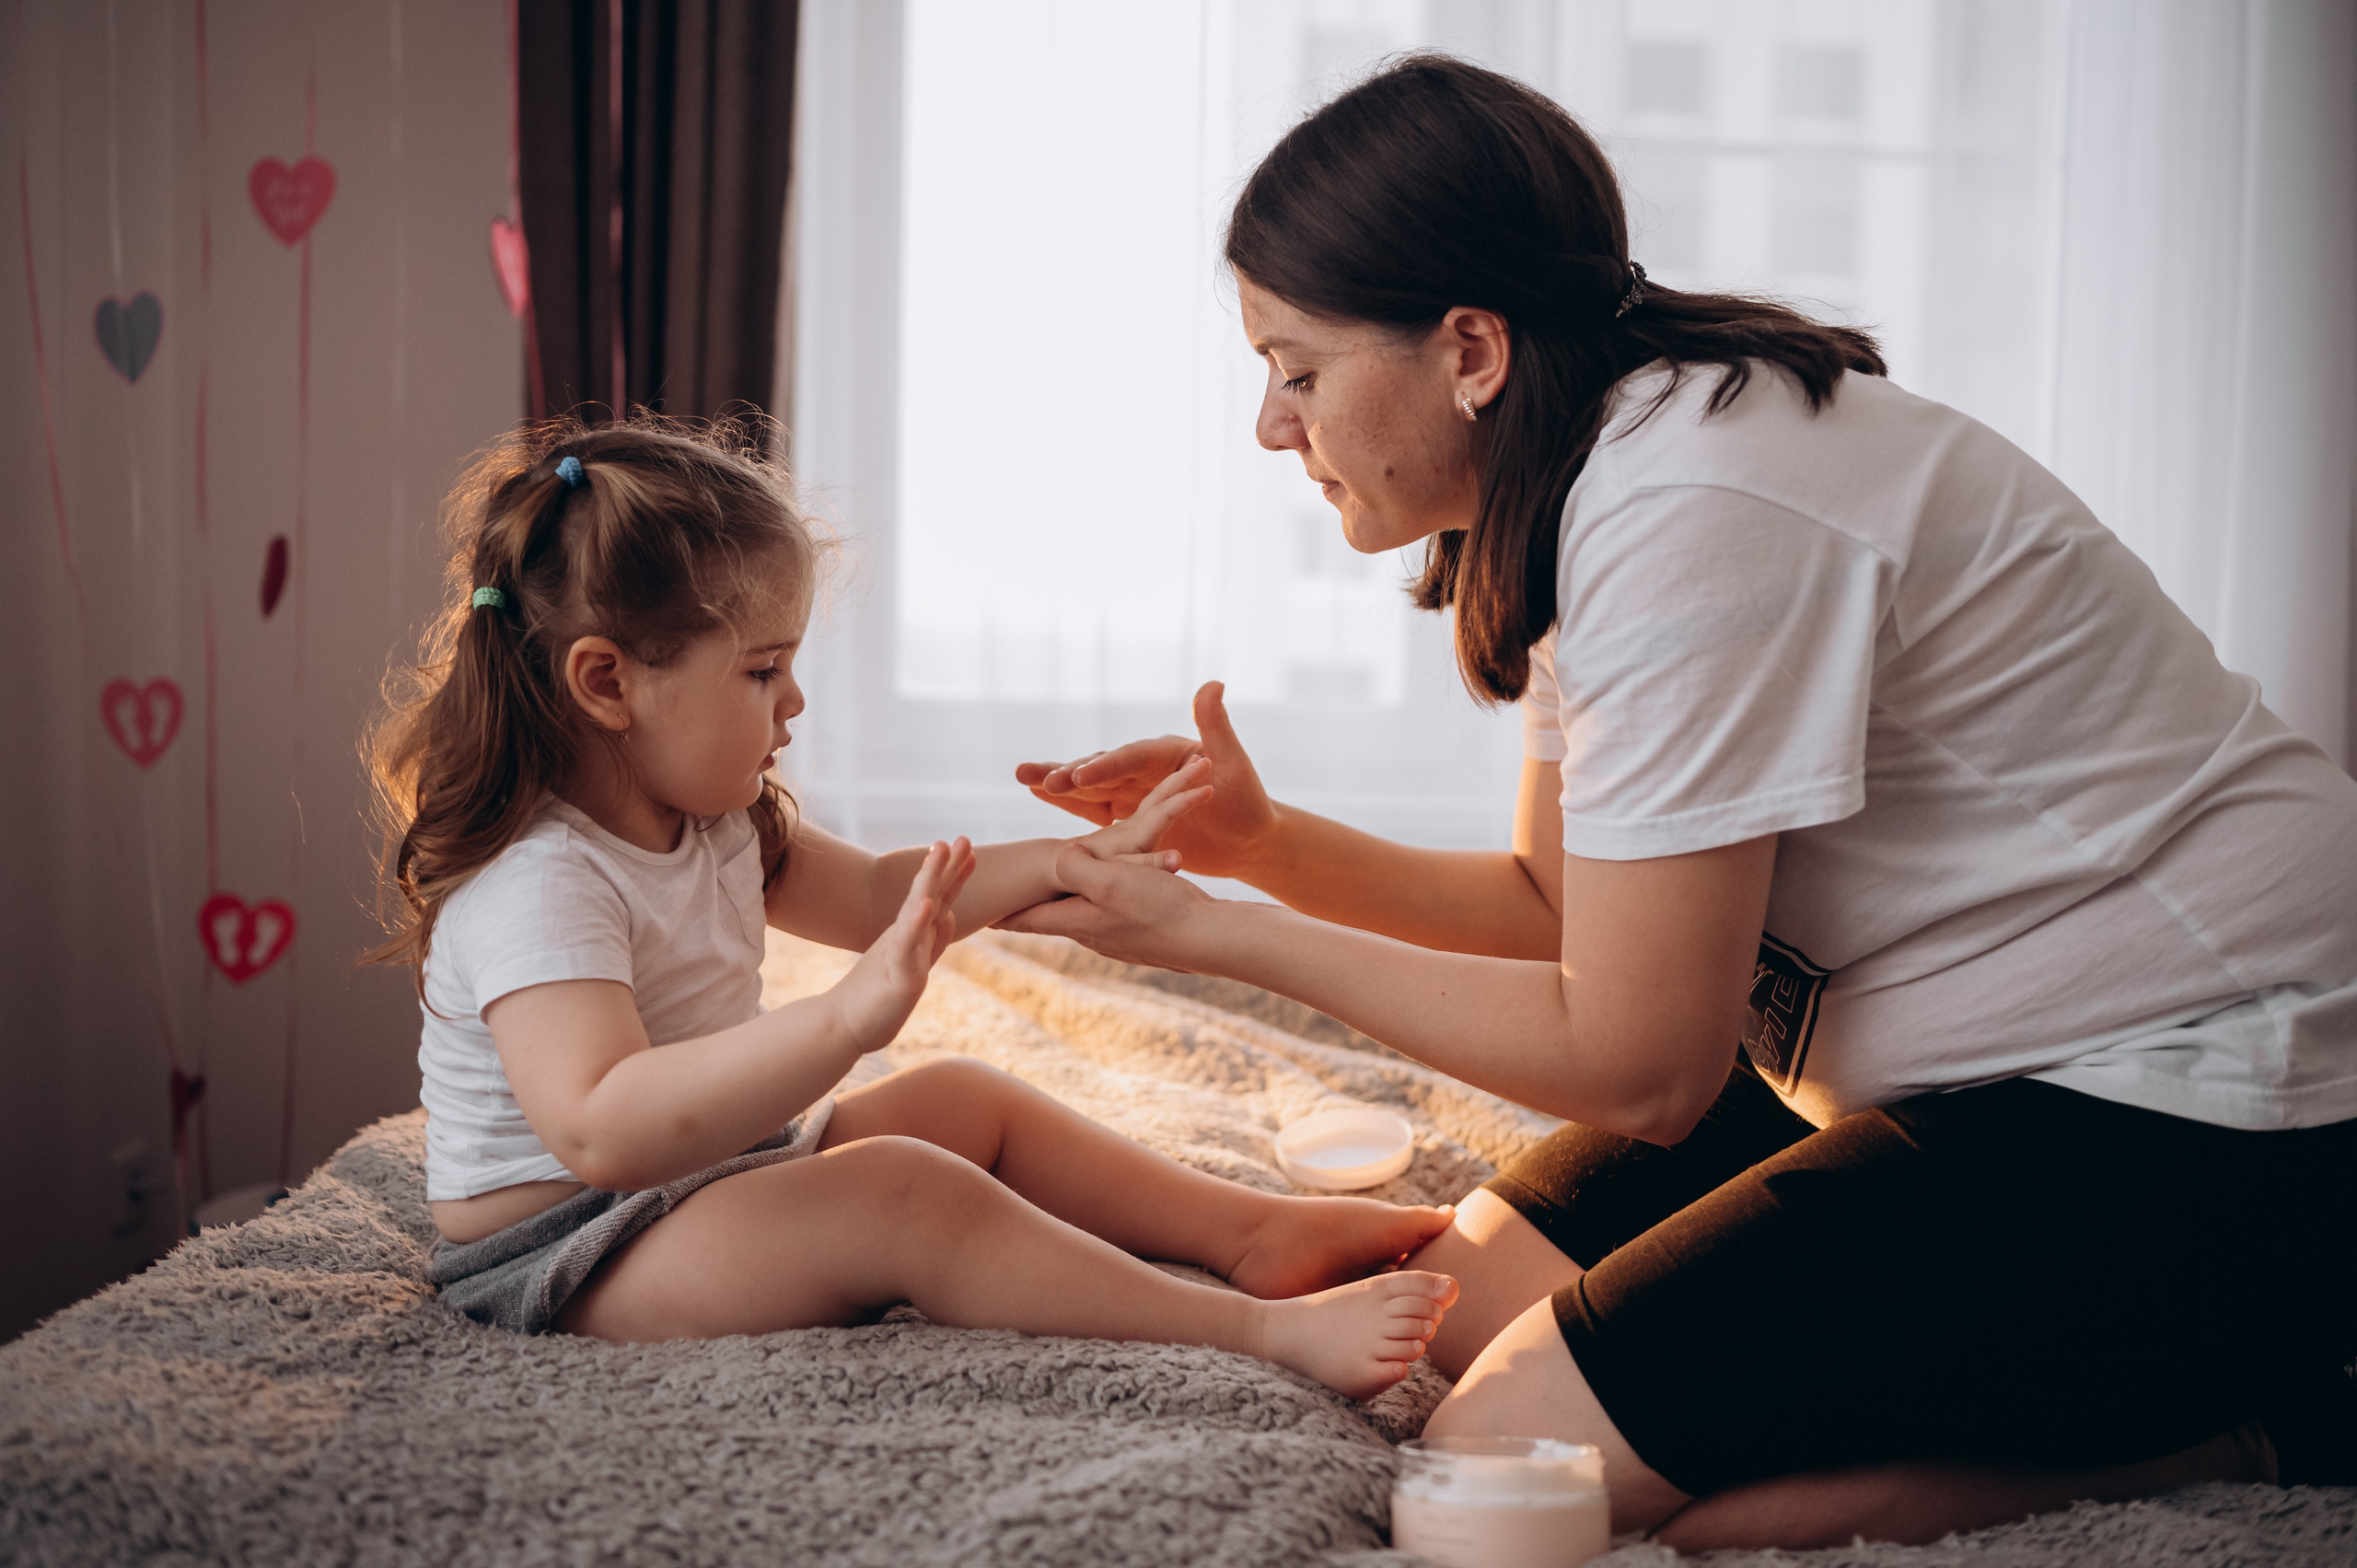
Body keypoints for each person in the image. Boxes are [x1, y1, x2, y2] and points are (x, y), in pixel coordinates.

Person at [1005, 55, 2357, 1549]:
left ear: (1469, 346)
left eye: (1298, 368)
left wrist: (1219, 935)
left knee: (1507, 1455)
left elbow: (1644, 1060)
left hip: (2220, 1094)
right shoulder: (1585, 472)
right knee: (1457, 1312)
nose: (1272, 424)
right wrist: (1264, 853)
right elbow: (1563, 910)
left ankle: (2268, 1416)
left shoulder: (1688, 506)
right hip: (1961, 1069)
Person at [362, 418, 1457, 1400]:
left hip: (712, 1174)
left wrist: (1076, 860)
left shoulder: (715, 821)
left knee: (963, 1096)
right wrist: (842, 1018)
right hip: (569, 1251)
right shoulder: (538, 879)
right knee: (899, 1192)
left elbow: (889, 895)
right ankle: (1259, 1330)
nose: (793, 700)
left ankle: (1252, 1229)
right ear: (607, 684)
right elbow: (599, 1122)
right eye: (761, 670)